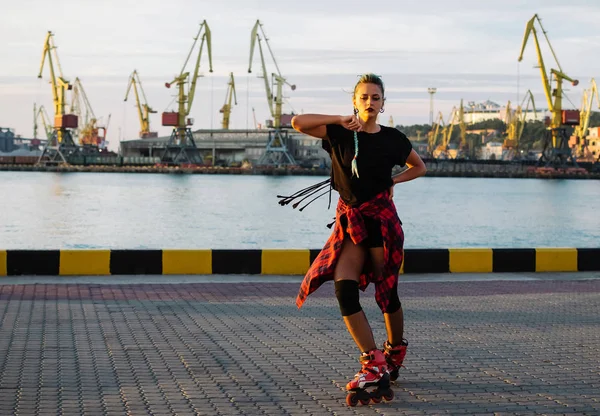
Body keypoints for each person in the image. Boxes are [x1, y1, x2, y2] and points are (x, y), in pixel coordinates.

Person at [289, 73, 427, 397]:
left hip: (381, 223)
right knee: (344, 290)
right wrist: (338, 118)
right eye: (363, 97)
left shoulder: (393, 139)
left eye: (375, 97)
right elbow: (298, 121)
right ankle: (373, 364)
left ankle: (394, 352)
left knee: (387, 292)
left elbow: (419, 167)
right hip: (351, 225)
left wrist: (395, 181)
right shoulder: (338, 132)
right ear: (355, 101)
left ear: (382, 103)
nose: (369, 102)